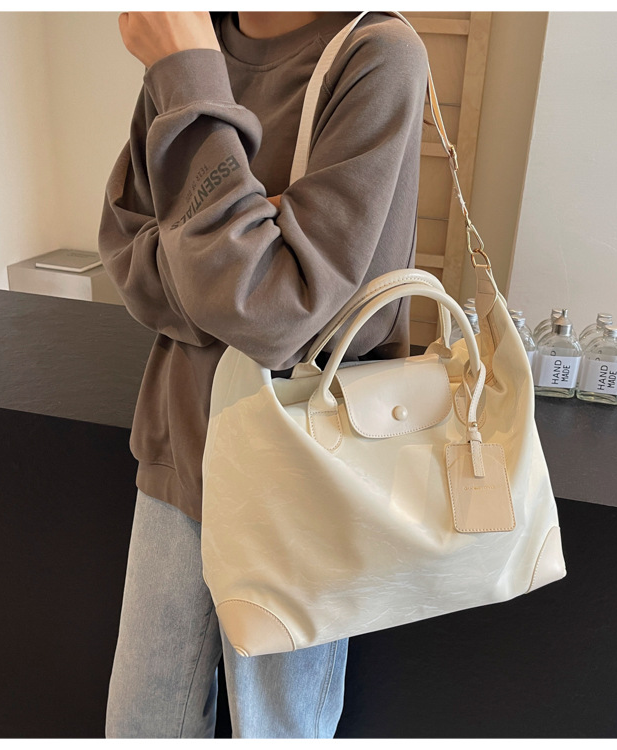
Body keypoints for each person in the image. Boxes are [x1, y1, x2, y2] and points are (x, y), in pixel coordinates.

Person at [99, 10, 429, 739]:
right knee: (140, 726)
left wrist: (188, 74)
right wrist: (244, 259)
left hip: (299, 474)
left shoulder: (376, 53)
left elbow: (281, 315)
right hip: (178, 448)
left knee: (277, 732)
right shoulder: (196, 33)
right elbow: (126, 255)